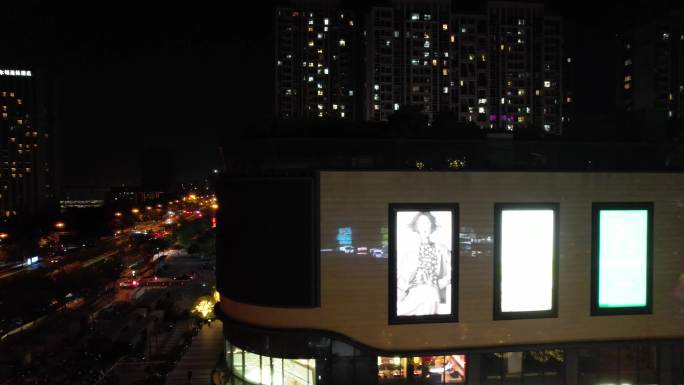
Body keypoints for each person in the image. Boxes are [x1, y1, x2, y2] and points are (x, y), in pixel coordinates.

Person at [397, 212, 451, 316]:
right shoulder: (409, 250)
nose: (425, 226)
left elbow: (452, 272)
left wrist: (438, 283)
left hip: (433, 289)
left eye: (427, 223)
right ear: (416, 227)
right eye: (421, 223)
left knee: (428, 293)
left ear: (432, 226)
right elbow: (402, 277)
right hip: (413, 291)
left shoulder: (442, 249)